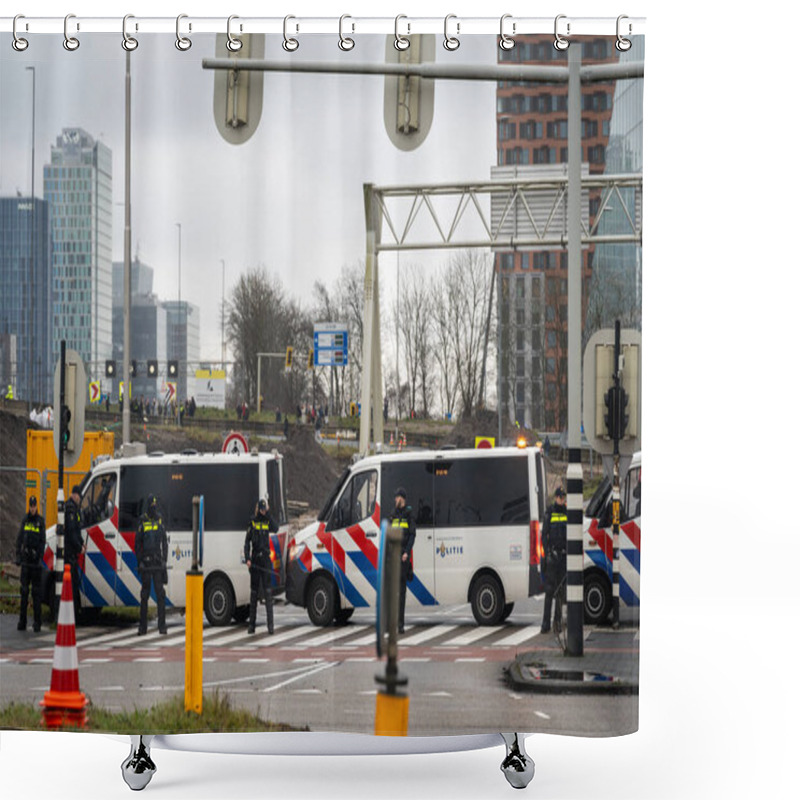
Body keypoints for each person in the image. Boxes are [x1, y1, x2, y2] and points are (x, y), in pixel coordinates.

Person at [134, 494, 168, 635]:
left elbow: (164, 542)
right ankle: (143, 628)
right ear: (148, 506)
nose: (154, 508)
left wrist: (164, 560)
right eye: (152, 506)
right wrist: (140, 561)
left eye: (155, 506)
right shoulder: (142, 521)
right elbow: (137, 544)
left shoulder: (160, 519)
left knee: (160, 595)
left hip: (157, 562)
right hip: (147, 563)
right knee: (144, 596)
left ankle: (162, 626)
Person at [244, 498, 278, 634]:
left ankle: (271, 626)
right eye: (262, 509)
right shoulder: (252, 522)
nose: (264, 511)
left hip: (265, 560)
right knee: (254, 594)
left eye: (265, 509)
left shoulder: (267, 520)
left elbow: (276, 528)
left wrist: (269, 513)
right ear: (258, 509)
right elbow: (246, 543)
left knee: (268, 594)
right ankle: (252, 625)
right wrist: (247, 559)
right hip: (255, 561)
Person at [16, 496, 46, 632]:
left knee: (36, 593)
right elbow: (19, 539)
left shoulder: (40, 522)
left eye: (34, 506)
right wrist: (18, 556)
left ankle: (37, 623)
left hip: (35, 563)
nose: (32, 508)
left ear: (36, 507)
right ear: (29, 506)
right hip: (26, 561)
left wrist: (39, 557)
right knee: (24, 592)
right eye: (31, 506)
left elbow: (42, 541)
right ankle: (22, 621)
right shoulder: (25, 520)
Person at [540, 487, 568, 634]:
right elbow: (544, 535)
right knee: (550, 591)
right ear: (556, 498)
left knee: (560, 592)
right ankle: (545, 624)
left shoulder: (566, 513)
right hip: (553, 557)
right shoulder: (549, 512)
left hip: (563, 557)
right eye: (561, 497)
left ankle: (557, 623)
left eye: (564, 497)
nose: (563, 500)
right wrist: (547, 553)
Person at [390, 487, 416, 634]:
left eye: (397, 497)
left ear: (402, 498)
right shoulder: (393, 514)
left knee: (401, 592)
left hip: (403, 558)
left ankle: (400, 625)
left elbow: (412, 535)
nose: (395, 499)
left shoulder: (409, 514)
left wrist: (406, 552)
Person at [64, 485, 85, 622]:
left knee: (74, 584)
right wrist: (79, 547)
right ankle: (71, 616)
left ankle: (73, 615)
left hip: (73, 554)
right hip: (70, 554)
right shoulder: (70, 509)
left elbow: (77, 530)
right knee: (72, 586)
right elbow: (72, 532)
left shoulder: (74, 509)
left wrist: (82, 542)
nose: (80, 500)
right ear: (75, 495)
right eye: (79, 497)